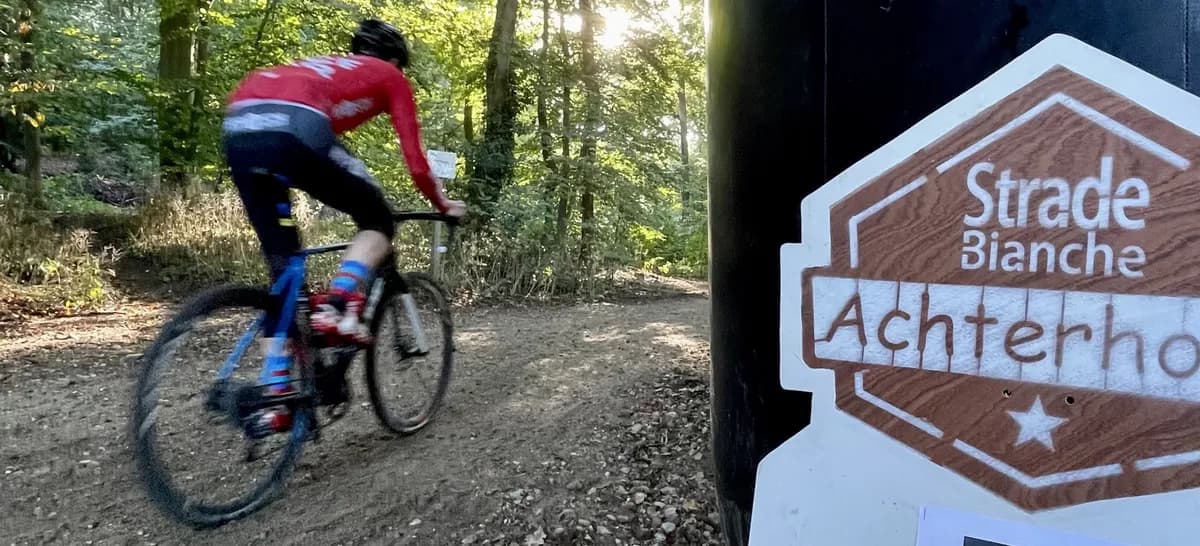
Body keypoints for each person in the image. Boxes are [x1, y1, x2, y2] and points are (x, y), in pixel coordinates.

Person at [220, 18, 466, 437]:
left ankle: (277, 396)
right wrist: (443, 203)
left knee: (284, 276)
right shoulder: (389, 74)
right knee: (377, 219)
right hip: (294, 126)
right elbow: (416, 162)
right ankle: (338, 305)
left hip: (239, 126)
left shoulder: (320, 67)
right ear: (395, 60)